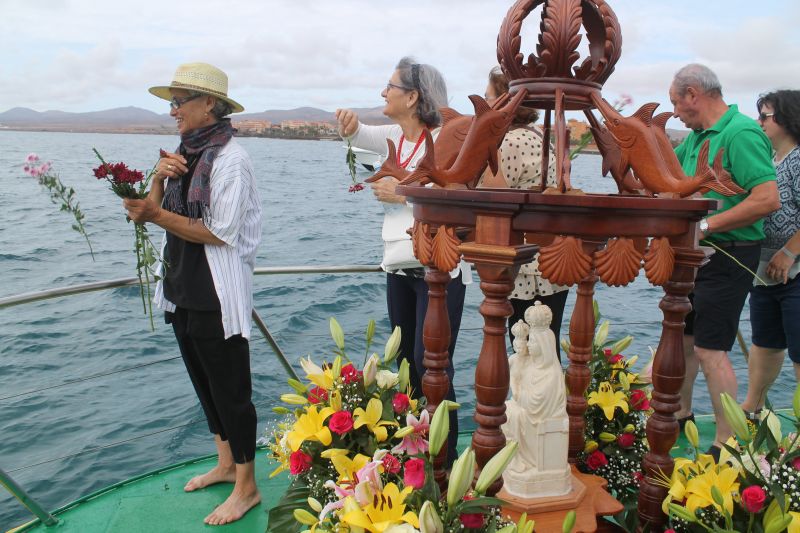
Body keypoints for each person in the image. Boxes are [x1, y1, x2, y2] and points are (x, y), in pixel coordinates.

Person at [124, 62, 262, 526]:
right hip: (183, 287)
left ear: (210, 104)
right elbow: (155, 209)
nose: (173, 110)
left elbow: (220, 231)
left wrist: (152, 213)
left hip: (216, 295)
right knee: (205, 386)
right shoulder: (185, 154)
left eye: (180, 101)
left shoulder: (231, 160)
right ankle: (225, 465)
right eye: (171, 102)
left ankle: (247, 487)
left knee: (232, 392)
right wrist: (159, 180)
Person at [335, 57, 468, 465]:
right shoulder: (395, 136)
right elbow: (359, 136)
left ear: (413, 97)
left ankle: (443, 464)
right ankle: (415, 458)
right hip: (398, 268)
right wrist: (347, 123)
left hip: (438, 273)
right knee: (407, 367)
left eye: (390, 86)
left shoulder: (448, 139)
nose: (383, 92)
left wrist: (404, 193)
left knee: (434, 370)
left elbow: (460, 196)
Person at [669, 64, 779, 459]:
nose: (677, 113)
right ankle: (682, 414)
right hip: (696, 255)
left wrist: (705, 226)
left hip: (729, 253)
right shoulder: (697, 138)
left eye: (676, 104)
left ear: (693, 93)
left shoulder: (741, 133)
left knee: (712, 350)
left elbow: (767, 198)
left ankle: (726, 442)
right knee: (683, 341)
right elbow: (665, 174)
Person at [480, 66, 568, 355]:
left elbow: (490, 195)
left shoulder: (511, 142)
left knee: (526, 353)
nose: (484, 102)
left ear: (505, 101)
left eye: (488, 96)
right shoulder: (540, 138)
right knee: (546, 352)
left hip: (528, 270)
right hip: (551, 265)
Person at [741, 90, 800, 415]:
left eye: (765, 116)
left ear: (788, 119)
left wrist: (789, 253)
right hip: (765, 273)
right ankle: (753, 406)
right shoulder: (770, 161)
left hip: (794, 271)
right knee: (766, 341)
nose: (759, 121)